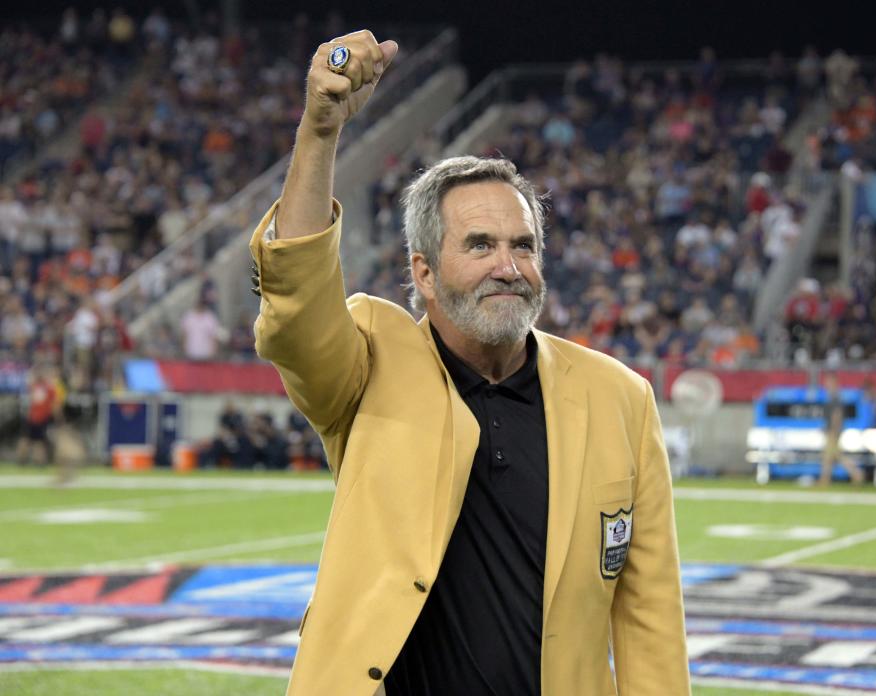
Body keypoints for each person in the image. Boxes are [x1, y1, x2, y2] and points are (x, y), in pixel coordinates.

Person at [250, 30, 689, 696]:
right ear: (423, 273)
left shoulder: (618, 399)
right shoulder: (369, 362)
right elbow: (297, 297)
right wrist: (319, 134)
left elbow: (649, 617)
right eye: (479, 245)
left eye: (523, 246)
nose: (508, 267)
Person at [818, 374, 864, 486]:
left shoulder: (835, 397)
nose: (826, 385)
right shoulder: (833, 396)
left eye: (828, 382)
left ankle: (856, 474)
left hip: (833, 431)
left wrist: (833, 430)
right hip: (832, 430)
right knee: (830, 456)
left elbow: (837, 415)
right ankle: (826, 479)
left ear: (834, 383)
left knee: (835, 455)